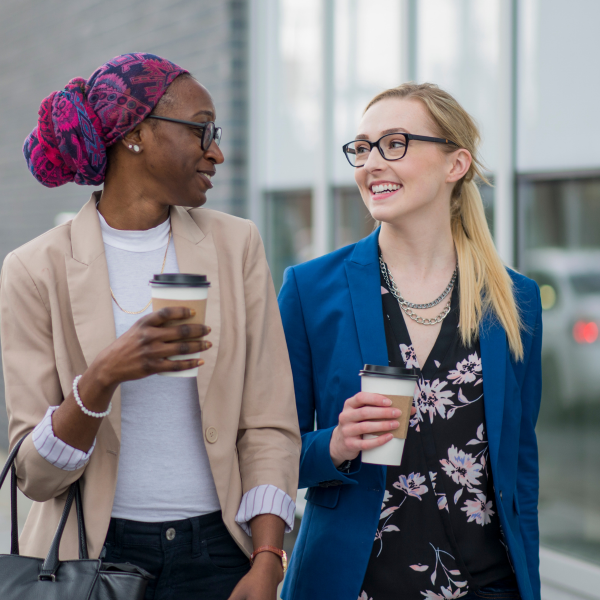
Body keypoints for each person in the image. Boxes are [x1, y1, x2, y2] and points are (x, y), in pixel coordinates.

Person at [1, 53, 300, 600]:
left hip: (219, 551)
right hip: (92, 557)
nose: (218, 151)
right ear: (137, 133)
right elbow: (34, 475)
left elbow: (268, 424)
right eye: (202, 129)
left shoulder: (237, 247)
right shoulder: (33, 268)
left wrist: (267, 560)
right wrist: (103, 377)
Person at [278, 83, 542, 600]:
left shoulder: (515, 300)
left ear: (455, 164)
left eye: (394, 143)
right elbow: (270, 451)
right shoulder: (310, 290)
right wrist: (334, 443)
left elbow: (521, 470)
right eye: (362, 147)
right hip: (353, 585)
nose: (371, 162)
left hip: (489, 586)